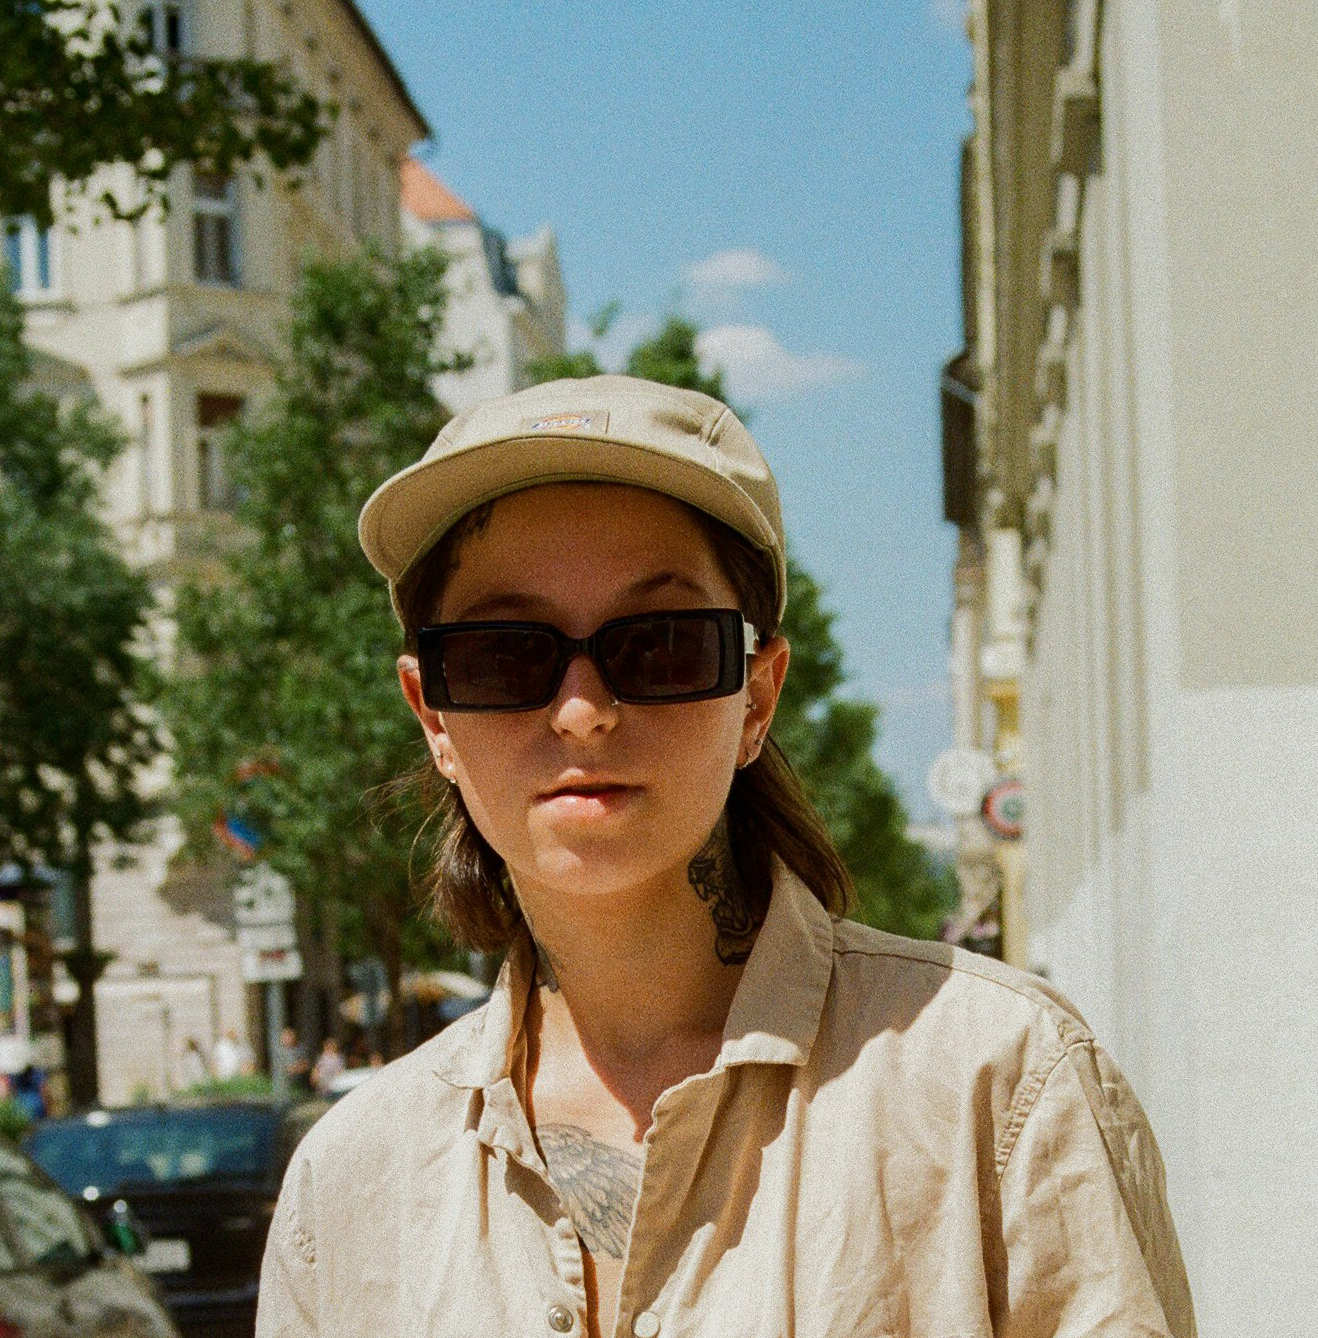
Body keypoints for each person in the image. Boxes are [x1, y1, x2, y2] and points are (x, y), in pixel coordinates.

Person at [257, 376, 1195, 1337]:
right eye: (503, 655)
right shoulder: (351, 1186)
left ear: (756, 697)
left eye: (659, 646)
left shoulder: (996, 1082)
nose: (581, 710)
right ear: (432, 715)